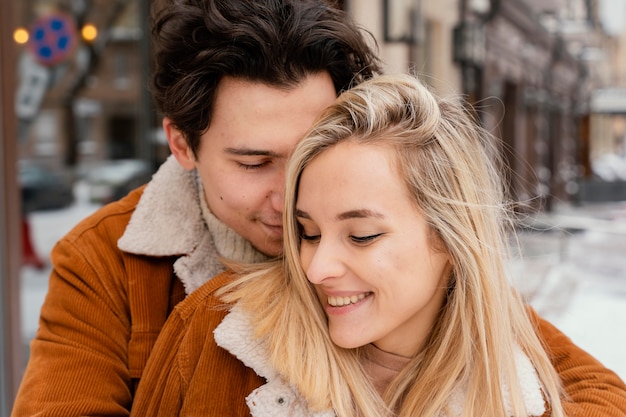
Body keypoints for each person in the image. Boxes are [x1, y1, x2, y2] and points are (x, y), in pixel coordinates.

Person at [12, 0, 626, 415]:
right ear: (182, 145)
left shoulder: (412, 247)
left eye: (310, 151)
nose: (293, 193)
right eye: (255, 163)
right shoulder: (104, 259)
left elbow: (572, 379)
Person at [128, 74, 626, 416]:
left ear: (451, 239)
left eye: (362, 235)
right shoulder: (215, 333)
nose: (316, 267)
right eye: (309, 232)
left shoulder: (517, 372)